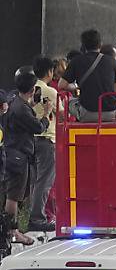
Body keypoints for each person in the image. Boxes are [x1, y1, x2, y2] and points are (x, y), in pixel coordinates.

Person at [1, 69, 50, 245]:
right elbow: (38, 127)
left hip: (13, 154)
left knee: (15, 195)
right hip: (18, 157)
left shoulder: (15, 102)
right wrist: (46, 113)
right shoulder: (21, 109)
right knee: (13, 196)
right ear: (31, 89)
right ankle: (12, 232)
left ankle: (11, 230)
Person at [59, 29, 116, 122]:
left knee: (66, 102)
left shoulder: (76, 61)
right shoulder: (112, 61)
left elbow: (61, 85)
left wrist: (75, 86)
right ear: (100, 44)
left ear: (83, 45)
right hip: (112, 113)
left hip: (88, 113)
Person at [28, 57, 58, 232]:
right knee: (45, 182)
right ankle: (38, 218)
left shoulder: (31, 90)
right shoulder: (50, 92)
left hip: (31, 140)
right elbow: (62, 113)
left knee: (35, 181)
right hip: (47, 138)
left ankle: (34, 214)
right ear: (49, 72)